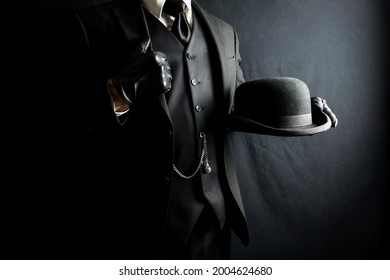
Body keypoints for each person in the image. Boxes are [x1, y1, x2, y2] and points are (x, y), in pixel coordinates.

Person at [62, 0, 337, 260]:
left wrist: (298, 112)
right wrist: (118, 93)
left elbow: (237, 109)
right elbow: (58, 126)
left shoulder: (225, 32)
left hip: (216, 219)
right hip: (141, 226)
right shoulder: (92, 25)